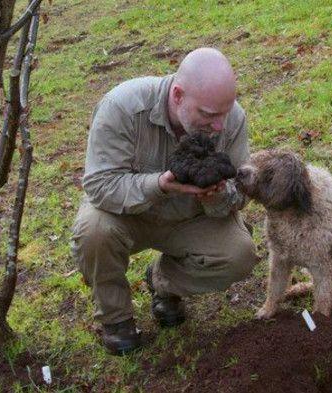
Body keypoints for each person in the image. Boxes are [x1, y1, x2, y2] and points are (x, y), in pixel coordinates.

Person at [71, 47, 257, 355]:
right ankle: (116, 319)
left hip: (190, 216)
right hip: (127, 214)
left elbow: (241, 190)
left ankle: (161, 281)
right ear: (178, 95)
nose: (220, 126)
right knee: (93, 230)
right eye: (209, 115)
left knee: (239, 255)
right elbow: (99, 185)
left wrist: (219, 195)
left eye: (225, 113)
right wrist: (159, 184)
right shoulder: (123, 107)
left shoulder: (231, 119)